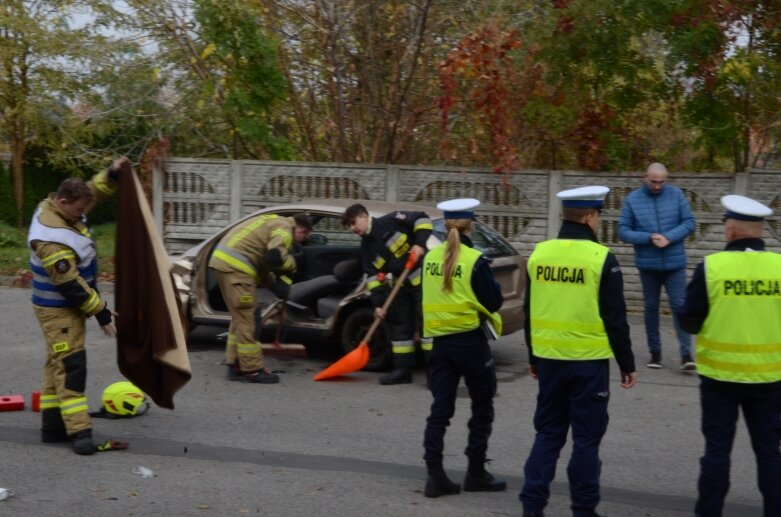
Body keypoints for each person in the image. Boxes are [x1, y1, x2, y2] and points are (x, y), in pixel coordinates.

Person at [520, 186, 637, 517]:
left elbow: (530, 312)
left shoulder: (540, 254)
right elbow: (616, 319)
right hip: (588, 365)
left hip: (549, 362)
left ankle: (532, 506)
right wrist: (627, 363)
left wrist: (532, 357)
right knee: (586, 440)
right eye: (598, 216)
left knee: (548, 434)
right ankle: (584, 509)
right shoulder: (601, 258)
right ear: (589, 217)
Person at [678, 195, 781, 517]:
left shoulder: (712, 267)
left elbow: (689, 320)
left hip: (719, 378)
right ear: (759, 230)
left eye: (725, 225)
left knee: (717, 452)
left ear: (733, 229)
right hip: (769, 378)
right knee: (769, 452)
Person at [29, 157, 127, 455]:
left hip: (62, 308)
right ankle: (79, 432)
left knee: (56, 363)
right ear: (62, 201)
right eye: (80, 209)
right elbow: (70, 285)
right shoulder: (51, 240)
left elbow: (92, 191)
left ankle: (53, 426)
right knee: (72, 366)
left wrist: (111, 174)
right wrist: (102, 312)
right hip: (58, 309)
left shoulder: (60, 208)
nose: (84, 213)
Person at [420, 198, 506, 498]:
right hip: (469, 343)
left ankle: (434, 475)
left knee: (439, 411)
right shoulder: (474, 260)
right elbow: (494, 301)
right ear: (472, 225)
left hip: (439, 345)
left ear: (445, 226)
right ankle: (476, 472)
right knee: (482, 406)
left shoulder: (430, 258)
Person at [208, 212, 312, 383]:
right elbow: (273, 256)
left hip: (223, 264)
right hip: (237, 269)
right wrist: (290, 265)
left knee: (240, 318)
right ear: (301, 230)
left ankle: (234, 365)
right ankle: (252, 370)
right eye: (304, 237)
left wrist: (275, 286)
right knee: (249, 319)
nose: (301, 241)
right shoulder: (285, 229)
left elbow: (263, 265)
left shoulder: (272, 221)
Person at [343, 203, 432, 385]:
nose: (352, 229)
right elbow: (374, 278)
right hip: (399, 287)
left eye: (353, 223)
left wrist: (419, 244)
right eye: (348, 226)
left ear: (364, 216)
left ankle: (436, 374)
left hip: (424, 282)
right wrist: (378, 304)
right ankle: (402, 371)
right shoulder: (366, 248)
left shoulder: (392, 221)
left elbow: (422, 218)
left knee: (428, 329)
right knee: (400, 329)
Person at [619, 162, 696, 370]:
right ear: (646, 177)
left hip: (675, 263)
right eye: (654, 182)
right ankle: (655, 353)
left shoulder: (677, 195)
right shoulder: (632, 199)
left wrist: (668, 238)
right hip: (648, 264)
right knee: (651, 307)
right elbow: (623, 231)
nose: (657, 186)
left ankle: (686, 354)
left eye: (662, 182)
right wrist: (648, 238)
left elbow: (689, 223)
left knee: (679, 306)